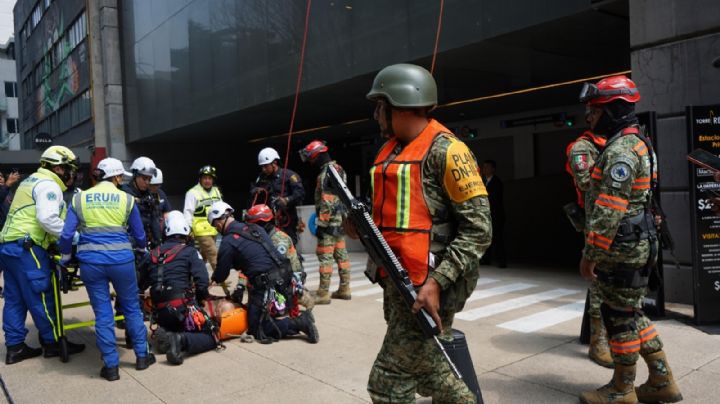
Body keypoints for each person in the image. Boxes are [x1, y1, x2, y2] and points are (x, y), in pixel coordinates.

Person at [365, 63, 492, 403]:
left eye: (381, 106)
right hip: (399, 284)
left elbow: (479, 231)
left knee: (388, 381)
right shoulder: (391, 151)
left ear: (401, 105)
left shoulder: (448, 151)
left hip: (431, 286)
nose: (377, 115)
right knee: (429, 369)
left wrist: (437, 282)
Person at [578, 75, 682, 404]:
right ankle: (662, 380)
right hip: (638, 241)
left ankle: (622, 389)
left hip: (621, 248)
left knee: (617, 316)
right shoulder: (640, 142)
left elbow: (610, 209)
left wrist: (590, 254)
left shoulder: (620, 151)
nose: (590, 118)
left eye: (595, 112)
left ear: (612, 111)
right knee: (632, 313)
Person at [59, 157, 154, 381]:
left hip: (91, 263)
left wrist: (65, 257)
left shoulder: (80, 198)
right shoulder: (127, 199)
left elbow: (66, 235)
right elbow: (140, 236)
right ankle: (142, 356)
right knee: (131, 308)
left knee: (102, 314)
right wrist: (141, 248)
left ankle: (111, 367)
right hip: (122, 261)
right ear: (117, 177)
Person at [0, 146, 85, 364]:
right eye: (69, 169)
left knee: (14, 300)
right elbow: (47, 219)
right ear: (58, 167)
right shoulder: (49, 185)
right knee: (42, 297)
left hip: (9, 247)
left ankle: (15, 347)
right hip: (28, 249)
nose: (71, 173)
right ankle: (53, 342)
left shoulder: (30, 181)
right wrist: (75, 238)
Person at [207, 201, 318, 344]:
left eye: (215, 225)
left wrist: (212, 280)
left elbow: (222, 273)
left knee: (257, 328)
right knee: (257, 314)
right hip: (282, 279)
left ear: (219, 222)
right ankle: (289, 317)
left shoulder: (228, 241)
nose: (216, 229)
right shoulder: (254, 228)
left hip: (265, 285)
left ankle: (299, 322)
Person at [138, 210, 217, 365]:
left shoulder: (151, 254)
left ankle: (170, 335)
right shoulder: (190, 252)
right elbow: (202, 281)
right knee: (212, 335)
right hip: (183, 310)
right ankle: (181, 340)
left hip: (159, 313)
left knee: (171, 323)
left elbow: (140, 284)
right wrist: (201, 302)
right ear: (186, 232)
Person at [566, 126, 613, 369]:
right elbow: (585, 182)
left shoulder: (621, 141)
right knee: (598, 282)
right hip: (598, 221)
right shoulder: (584, 147)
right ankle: (598, 342)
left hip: (622, 222)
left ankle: (615, 336)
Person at [299, 141, 351, 304]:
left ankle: (323, 293)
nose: (310, 162)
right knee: (342, 256)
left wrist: (321, 224)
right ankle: (344, 288)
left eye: (311, 158)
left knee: (325, 258)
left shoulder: (325, 174)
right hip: (340, 222)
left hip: (328, 225)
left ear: (316, 155)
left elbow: (327, 201)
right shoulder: (339, 170)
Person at [245, 204, 314, 310]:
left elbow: (280, 268)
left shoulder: (279, 240)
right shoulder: (260, 237)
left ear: (262, 224)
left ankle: (301, 298)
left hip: (287, 278)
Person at [251, 147, 305, 245]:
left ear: (274, 163)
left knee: (289, 245)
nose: (263, 169)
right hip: (269, 220)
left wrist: (287, 200)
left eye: (265, 166)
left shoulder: (289, 176)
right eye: (262, 167)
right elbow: (252, 188)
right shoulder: (261, 177)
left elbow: (300, 193)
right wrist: (256, 190)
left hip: (287, 219)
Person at [183, 165, 222, 272]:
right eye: (205, 178)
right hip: (200, 231)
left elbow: (221, 207)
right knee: (213, 253)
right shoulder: (192, 193)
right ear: (200, 178)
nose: (207, 181)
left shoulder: (216, 191)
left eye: (210, 178)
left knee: (202, 257)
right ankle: (221, 279)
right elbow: (188, 212)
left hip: (213, 229)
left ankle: (193, 277)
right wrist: (188, 229)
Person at [121, 156, 161, 248]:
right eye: (144, 178)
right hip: (128, 243)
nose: (147, 182)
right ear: (135, 175)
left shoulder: (149, 195)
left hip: (146, 244)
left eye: (149, 179)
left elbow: (154, 220)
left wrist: (158, 243)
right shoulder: (124, 193)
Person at [481, 160, 506, 268]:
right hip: (485, 214)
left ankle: (501, 261)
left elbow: (495, 199)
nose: (484, 169)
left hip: (495, 214)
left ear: (493, 169)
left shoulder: (497, 182)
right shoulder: (481, 181)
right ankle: (486, 259)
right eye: (484, 167)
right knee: (486, 237)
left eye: (487, 167)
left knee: (497, 238)